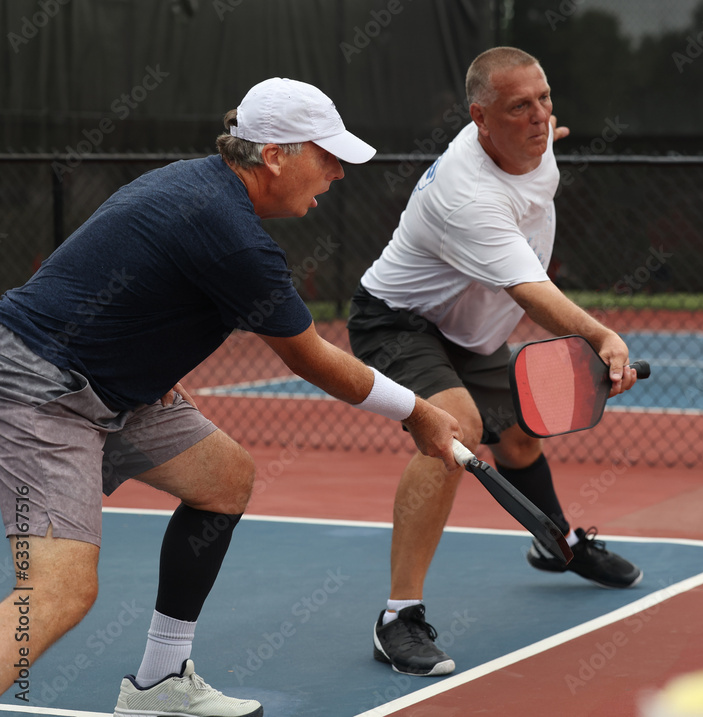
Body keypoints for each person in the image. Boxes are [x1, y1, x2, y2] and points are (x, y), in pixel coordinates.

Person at [0, 78, 461, 716]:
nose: (336, 174)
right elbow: (312, 359)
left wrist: (139, 357)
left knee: (224, 478)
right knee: (58, 592)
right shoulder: (233, 237)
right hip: (39, 391)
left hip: (109, 386)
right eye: (325, 158)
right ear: (274, 154)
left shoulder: (189, 183)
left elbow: (79, 266)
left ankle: (160, 684)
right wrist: (420, 412)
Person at [347, 47, 643, 678]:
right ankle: (397, 616)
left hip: (471, 329)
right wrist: (599, 336)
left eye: (545, 99)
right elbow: (530, 290)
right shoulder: (468, 194)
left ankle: (556, 542)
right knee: (454, 433)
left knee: (522, 439)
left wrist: (541, 129)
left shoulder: (530, 140)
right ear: (480, 119)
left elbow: (534, 137)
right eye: (519, 107)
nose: (539, 117)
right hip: (399, 321)